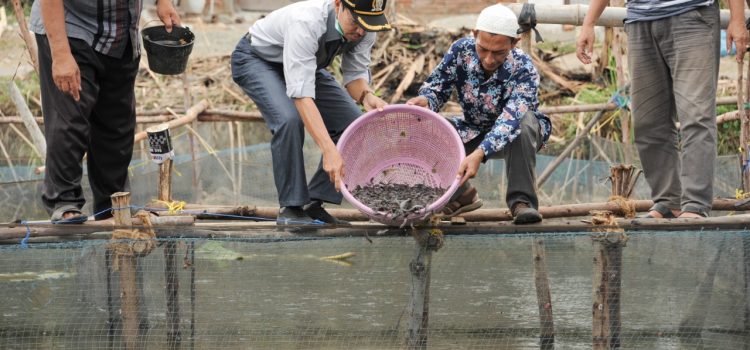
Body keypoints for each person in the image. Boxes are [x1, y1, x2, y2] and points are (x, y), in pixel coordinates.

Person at [576, 0, 748, 218]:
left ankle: (695, 204)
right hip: (640, 20)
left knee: (696, 115)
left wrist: (737, 18)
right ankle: (668, 201)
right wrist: (589, 22)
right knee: (648, 121)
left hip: (692, 15)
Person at [231, 0, 390, 227]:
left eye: (369, 24)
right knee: (288, 120)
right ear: (338, 5)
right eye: (356, 22)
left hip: (305, 65)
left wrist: (366, 96)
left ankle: (313, 203)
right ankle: (291, 209)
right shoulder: (306, 22)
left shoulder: (365, 28)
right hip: (258, 60)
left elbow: (354, 76)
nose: (362, 30)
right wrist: (329, 150)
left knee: (355, 124)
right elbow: (301, 96)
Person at [29, 0, 181, 223]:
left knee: (117, 129)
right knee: (70, 118)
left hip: (120, 33)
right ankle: (65, 200)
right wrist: (61, 55)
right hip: (71, 27)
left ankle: (112, 206)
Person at [407, 4, 552, 224]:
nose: (489, 59)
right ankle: (462, 195)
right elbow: (438, 85)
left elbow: (510, 119)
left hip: (516, 133)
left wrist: (480, 153)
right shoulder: (460, 50)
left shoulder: (525, 69)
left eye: (499, 52)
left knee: (524, 122)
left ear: (514, 43)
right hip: (473, 129)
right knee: (428, 128)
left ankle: (522, 203)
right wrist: (427, 100)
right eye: (483, 49)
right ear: (474, 35)